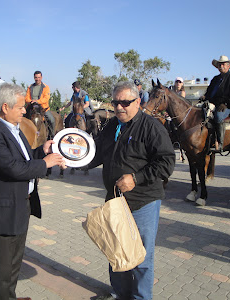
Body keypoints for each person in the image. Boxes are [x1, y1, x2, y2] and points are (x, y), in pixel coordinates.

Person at [0, 83, 65, 300]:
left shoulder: (13, 128)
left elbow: (21, 159)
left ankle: (9, 297)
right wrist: (46, 163)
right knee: (2, 269)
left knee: (14, 262)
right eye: (20, 107)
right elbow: (13, 168)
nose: (24, 111)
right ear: (5, 107)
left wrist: (40, 151)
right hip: (2, 211)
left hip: (19, 205)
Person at [88, 81, 175, 300]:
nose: (119, 107)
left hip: (142, 202)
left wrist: (136, 178)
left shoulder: (152, 127)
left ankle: (141, 297)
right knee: (116, 251)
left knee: (141, 257)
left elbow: (166, 162)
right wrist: (71, 158)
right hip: (115, 201)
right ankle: (119, 293)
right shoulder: (111, 126)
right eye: (116, 102)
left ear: (137, 101)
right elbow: (96, 155)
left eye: (125, 102)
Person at [202, 55, 230, 153]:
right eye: (219, 65)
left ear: (228, 66)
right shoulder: (215, 79)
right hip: (214, 104)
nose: (221, 66)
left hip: (228, 105)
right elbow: (209, 93)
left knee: (218, 117)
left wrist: (226, 104)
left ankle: (220, 143)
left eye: (223, 64)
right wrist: (205, 97)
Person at [25, 71, 55, 138]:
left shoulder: (45, 87)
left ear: (41, 77)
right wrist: (31, 101)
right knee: (22, 118)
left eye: (39, 77)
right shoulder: (30, 87)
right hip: (32, 106)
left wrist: (37, 101)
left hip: (42, 107)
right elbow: (26, 98)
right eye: (36, 77)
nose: (37, 79)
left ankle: (52, 135)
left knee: (51, 120)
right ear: (34, 78)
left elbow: (46, 98)